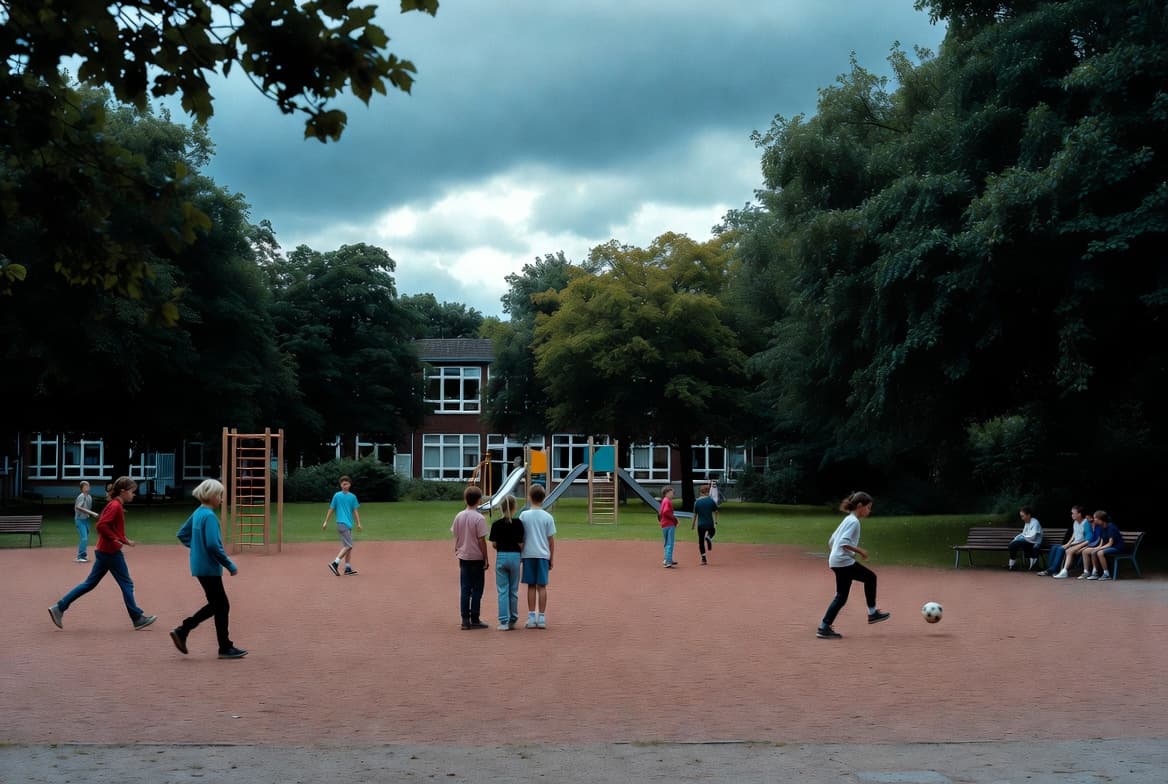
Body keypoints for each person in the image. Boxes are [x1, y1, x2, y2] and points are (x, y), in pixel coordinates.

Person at [48, 476, 157, 631]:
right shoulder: (115, 506)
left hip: (104, 551)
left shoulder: (115, 504)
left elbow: (111, 528)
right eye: (132, 492)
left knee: (89, 583)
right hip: (110, 552)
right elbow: (101, 526)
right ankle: (137, 618)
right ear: (123, 491)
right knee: (127, 583)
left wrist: (125, 541)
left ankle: (59, 608)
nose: (134, 494)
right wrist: (115, 541)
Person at [171, 479, 247, 659]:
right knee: (221, 604)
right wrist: (229, 564)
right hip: (208, 567)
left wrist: (197, 548)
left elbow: (182, 534)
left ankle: (188, 632)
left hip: (199, 565)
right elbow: (213, 545)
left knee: (218, 605)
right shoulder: (210, 516)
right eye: (220, 495)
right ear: (212, 496)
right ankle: (221, 646)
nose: (221, 499)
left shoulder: (198, 512)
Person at [816, 491, 890, 639]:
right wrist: (860, 551)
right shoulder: (854, 521)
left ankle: (824, 627)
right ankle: (872, 613)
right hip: (843, 562)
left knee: (841, 596)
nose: (869, 511)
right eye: (868, 507)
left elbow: (832, 540)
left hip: (837, 561)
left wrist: (836, 554)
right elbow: (843, 542)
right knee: (870, 577)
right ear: (860, 506)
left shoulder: (848, 519)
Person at [452, 485, 490, 629]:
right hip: (476, 557)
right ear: (479, 500)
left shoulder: (459, 516)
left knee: (465, 588)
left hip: (463, 556)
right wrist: (485, 558)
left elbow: (457, 534)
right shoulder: (479, 518)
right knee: (477, 589)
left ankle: (465, 619)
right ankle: (475, 617)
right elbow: (481, 540)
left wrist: (457, 548)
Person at [519, 483, 556, 629]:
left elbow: (521, 537)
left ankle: (531, 616)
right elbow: (551, 540)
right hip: (542, 555)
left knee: (531, 586)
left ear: (529, 497)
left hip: (528, 554)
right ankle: (541, 618)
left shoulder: (523, 515)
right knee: (542, 586)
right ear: (544, 498)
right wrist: (551, 558)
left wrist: (521, 553)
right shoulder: (548, 517)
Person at [488, 494, 524, 630]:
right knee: (513, 590)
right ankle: (513, 619)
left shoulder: (496, 524)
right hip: (515, 557)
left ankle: (503, 621)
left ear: (501, 508)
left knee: (502, 590)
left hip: (501, 557)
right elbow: (521, 543)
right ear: (515, 507)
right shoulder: (518, 523)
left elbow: (494, 544)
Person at [322, 475, 362, 576]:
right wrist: (326, 521)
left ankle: (347, 568)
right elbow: (331, 508)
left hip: (349, 524)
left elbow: (355, 511)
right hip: (341, 523)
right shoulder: (337, 496)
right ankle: (335, 563)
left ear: (350, 485)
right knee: (349, 545)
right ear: (340, 485)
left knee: (347, 546)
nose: (344, 486)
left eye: (346, 484)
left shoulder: (353, 497)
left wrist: (358, 523)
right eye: (343, 484)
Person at [1039, 505, 1089, 577]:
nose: (1071, 515)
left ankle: (1052, 570)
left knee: (1060, 549)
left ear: (1079, 514)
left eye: (1073, 513)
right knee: (1054, 547)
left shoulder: (1086, 523)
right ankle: (1049, 569)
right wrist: (1068, 543)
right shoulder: (1075, 522)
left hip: (1079, 545)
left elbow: (1086, 539)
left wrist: (1069, 545)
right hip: (1073, 544)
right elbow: (1074, 535)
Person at [1080, 510, 1124, 581]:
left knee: (1099, 553)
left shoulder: (1111, 527)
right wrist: (1098, 547)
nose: (1094, 520)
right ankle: (1093, 573)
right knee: (1085, 551)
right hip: (1108, 546)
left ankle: (1106, 574)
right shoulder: (1101, 527)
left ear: (1101, 520)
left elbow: (1110, 543)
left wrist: (1099, 549)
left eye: (1095, 518)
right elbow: (1102, 542)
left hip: (1116, 547)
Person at [1007, 506, 1043, 570]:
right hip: (1028, 541)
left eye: (1023, 516)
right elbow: (1024, 534)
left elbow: (1033, 537)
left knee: (1014, 544)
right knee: (1013, 544)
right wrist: (1016, 538)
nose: (1022, 518)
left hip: (1034, 542)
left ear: (1028, 515)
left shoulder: (1035, 522)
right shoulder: (1027, 522)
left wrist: (1021, 539)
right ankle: (1012, 564)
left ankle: (1012, 564)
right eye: (1021, 516)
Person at [691, 483, 719, 565]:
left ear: (701, 492)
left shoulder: (697, 502)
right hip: (709, 523)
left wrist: (693, 525)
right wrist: (715, 521)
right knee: (713, 531)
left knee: (701, 541)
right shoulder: (711, 501)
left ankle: (703, 559)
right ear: (707, 492)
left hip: (700, 525)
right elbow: (716, 512)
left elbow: (695, 515)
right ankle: (709, 537)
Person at [72, 480, 99, 563]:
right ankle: (80, 556)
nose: (87, 487)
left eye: (88, 486)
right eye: (85, 486)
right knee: (84, 538)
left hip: (86, 520)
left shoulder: (89, 497)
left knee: (85, 538)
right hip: (79, 520)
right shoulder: (81, 496)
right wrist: (91, 513)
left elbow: (87, 508)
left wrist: (89, 514)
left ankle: (83, 555)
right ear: (82, 488)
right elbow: (78, 507)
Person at [659, 486, 679, 568]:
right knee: (670, 543)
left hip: (664, 524)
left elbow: (660, 513)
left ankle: (667, 559)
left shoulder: (664, 500)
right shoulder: (667, 501)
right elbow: (666, 512)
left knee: (667, 542)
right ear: (666, 493)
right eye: (671, 492)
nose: (673, 494)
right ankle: (668, 561)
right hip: (669, 524)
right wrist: (675, 520)